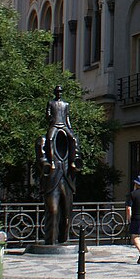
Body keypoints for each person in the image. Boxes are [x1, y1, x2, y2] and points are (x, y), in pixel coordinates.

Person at [37, 85, 83, 245]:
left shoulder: (65, 105)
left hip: (66, 179)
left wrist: (74, 163)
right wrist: (46, 165)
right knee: (53, 210)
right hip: (52, 180)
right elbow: (41, 158)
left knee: (67, 213)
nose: (59, 94)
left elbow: (68, 119)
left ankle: (64, 239)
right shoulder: (42, 140)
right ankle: (50, 240)